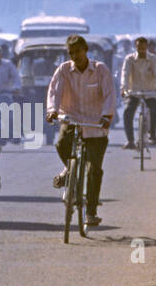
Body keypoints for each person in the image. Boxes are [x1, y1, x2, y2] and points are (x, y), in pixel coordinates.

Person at [45, 34, 116, 227]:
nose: (75, 56)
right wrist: (52, 111)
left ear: (85, 50)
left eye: (78, 51)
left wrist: (107, 115)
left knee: (94, 170)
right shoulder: (64, 70)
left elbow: (109, 94)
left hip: (95, 124)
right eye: (71, 53)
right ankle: (70, 170)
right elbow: (54, 92)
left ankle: (91, 212)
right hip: (72, 119)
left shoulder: (100, 70)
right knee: (61, 143)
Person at [120, 36, 156, 148]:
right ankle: (130, 140)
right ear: (136, 47)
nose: (141, 51)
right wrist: (124, 88)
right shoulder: (129, 59)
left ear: (147, 47)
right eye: (139, 48)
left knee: (154, 110)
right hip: (134, 91)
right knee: (127, 112)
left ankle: (152, 135)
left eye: (143, 48)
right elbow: (125, 74)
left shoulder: (154, 59)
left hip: (150, 91)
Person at [0, 43, 22, 143]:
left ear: (1, 55)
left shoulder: (8, 65)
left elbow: (16, 78)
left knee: (10, 115)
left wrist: (16, 88)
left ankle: (14, 133)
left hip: (5, 94)